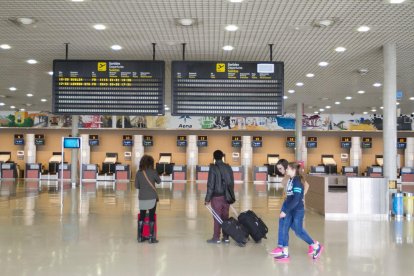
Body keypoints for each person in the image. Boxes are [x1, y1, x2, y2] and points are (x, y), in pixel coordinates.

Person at [274, 162, 323, 261]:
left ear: (293, 170)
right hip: (289, 209)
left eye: (287, 168)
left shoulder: (297, 181)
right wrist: (285, 209)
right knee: (285, 228)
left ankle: (316, 246)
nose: (286, 170)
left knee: (299, 231)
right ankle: (285, 253)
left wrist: (285, 211)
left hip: (297, 210)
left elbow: (296, 199)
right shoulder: (291, 179)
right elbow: (290, 197)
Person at [205, 150, 235, 244]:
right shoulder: (228, 167)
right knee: (225, 217)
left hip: (216, 197)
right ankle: (226, 237)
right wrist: (230, 194)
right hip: (227, 196)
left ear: (214, 158)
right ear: (222, 157)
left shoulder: (213, 168)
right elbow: (231, 182)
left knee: (217, 217)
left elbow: (210, 184)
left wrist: (207, 199)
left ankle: (216, 238)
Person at [135, 155, 161, 244]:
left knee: (141, 216)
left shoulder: (138, 173)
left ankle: (140, 237)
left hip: (142, 197)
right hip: (152, 197)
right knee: (151, 216)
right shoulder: (153, 172)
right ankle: (151, 238)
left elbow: (136, 186)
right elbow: (159, 181)